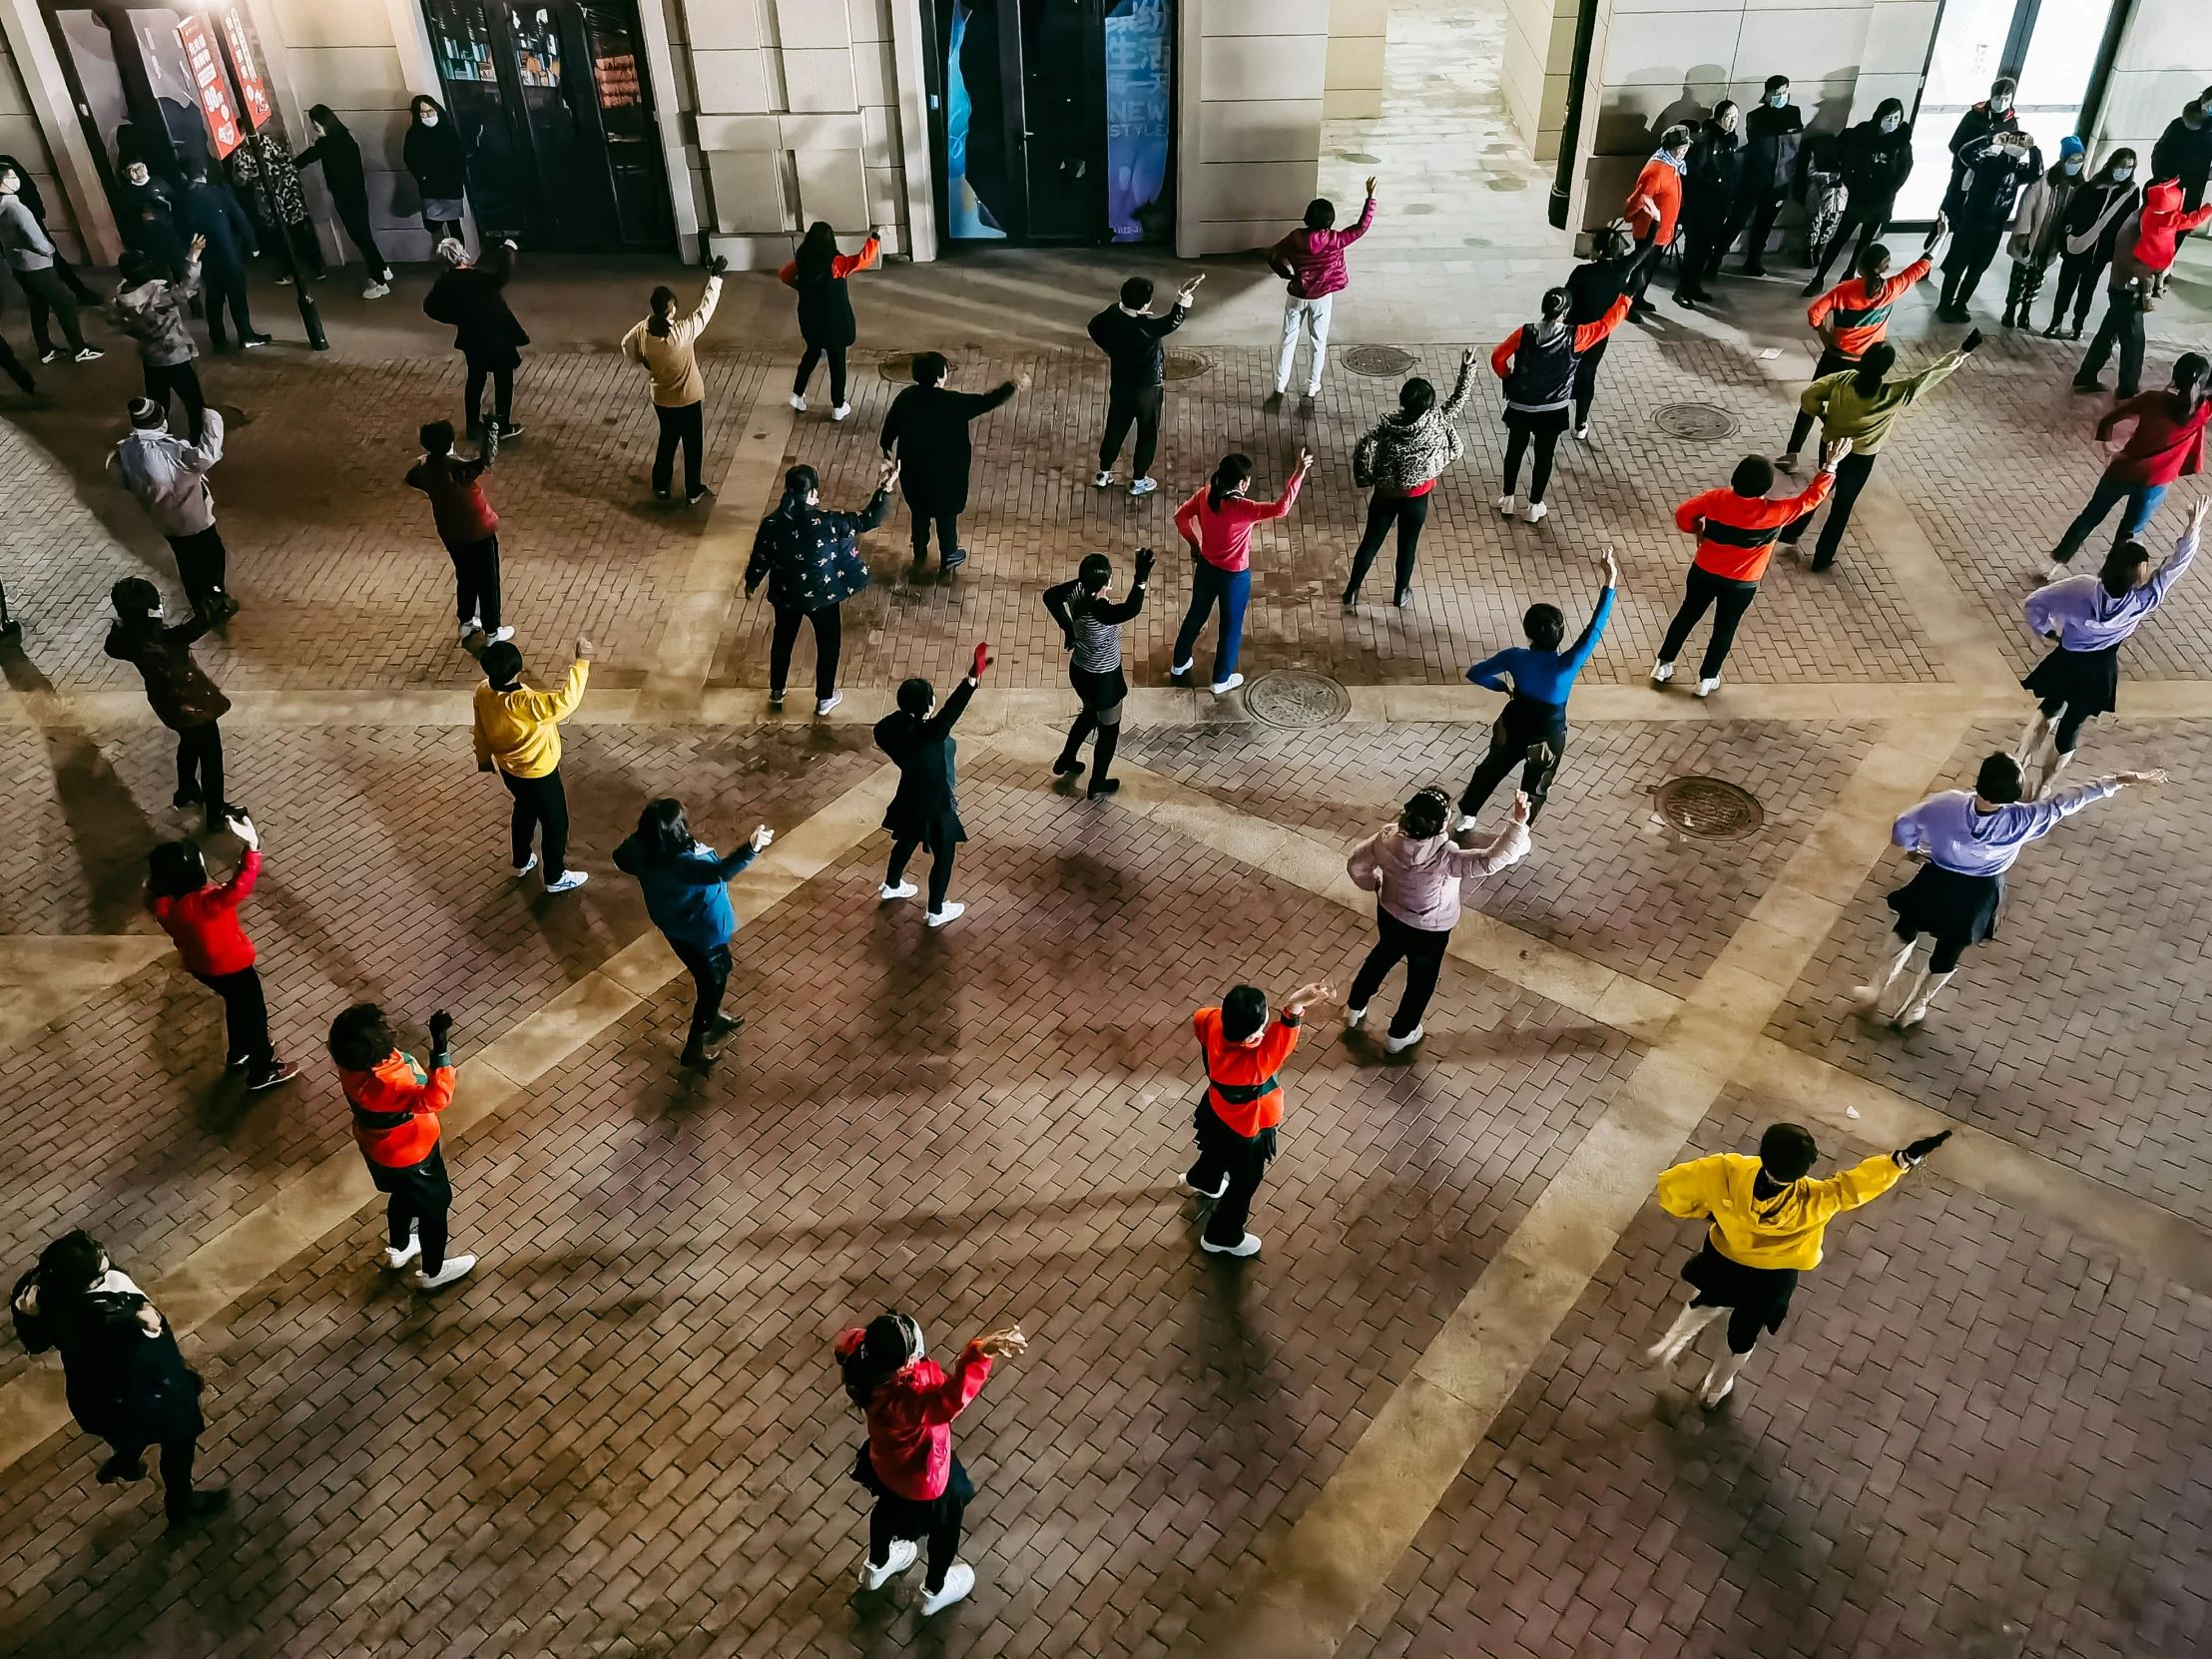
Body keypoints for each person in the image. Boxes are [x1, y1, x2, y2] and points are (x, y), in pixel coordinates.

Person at [1644, 1125, 1951, 1407]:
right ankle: (1714, 1389)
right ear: (1804, 1169)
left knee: (1708, 1299)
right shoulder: (1816, 1199)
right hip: (1773, 1278)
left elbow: (1671, 1186)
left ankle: (1669, 1345)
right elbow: (1855, 1187)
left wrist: (1707, 1213)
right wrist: (1901, 1160)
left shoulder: (1727, 1170)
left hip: (1725, 1258)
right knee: (1742, 1335)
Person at [1858, 756, 2163, 1026]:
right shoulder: (2024, 819)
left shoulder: (1946, 804)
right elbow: (2070, 800)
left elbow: (1903, 825)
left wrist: (1912, 849)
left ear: (1979, 782)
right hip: (1980, 890)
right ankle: (1914, 1009)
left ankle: (1875, 991)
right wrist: (2118, 780)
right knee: (1949, 951)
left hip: (1938, 878)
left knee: (1905, 929)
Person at [10, 1230, 230, 1526]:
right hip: (138, 1393)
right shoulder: (108, 1321)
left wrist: (29, 1316)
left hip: (98, 1396)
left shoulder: (37, 1292)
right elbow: (149, 1354)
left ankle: (125, 1459)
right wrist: (151, 1325)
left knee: (128, 1428)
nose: (105, 1259)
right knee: (179, 1440)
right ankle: (181, 1504)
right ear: (84, 1280)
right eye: (99, 1263)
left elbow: (36, 1342)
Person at [833, 1314, 1028, 1615]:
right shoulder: (911, 1396)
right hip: (925, 1474)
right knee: (947, 1525)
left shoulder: (862, 1362)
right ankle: (935, 1589)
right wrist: (980, 1353)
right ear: (904, 1364)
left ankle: (878, 1565)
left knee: (886, 1509)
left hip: (887, 1461)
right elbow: (952, 1399)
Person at [2016, 502, 2203, 797]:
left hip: (2068, 657)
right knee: (2072, 726)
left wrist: (2047, 630)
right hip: (2099, 669)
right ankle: (2043, 787)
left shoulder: (2080, 587)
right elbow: (2174, 567)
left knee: (2049, 707)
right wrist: (2192, 529)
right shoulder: (2143, 600)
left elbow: (2034, 603)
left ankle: (2018, 765)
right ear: (2138, 576)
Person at [1345, 787, 1530, 1053]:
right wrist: (1518, 824)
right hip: (1430, 930)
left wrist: (1373, 883)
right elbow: (1490, 861)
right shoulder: (1446, 856)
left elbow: (1355, 864)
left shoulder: (1385, 839)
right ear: (1441, 823)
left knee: (1382, 955)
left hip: (1390, 914)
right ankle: (1400, 1034)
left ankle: (1354, 1006)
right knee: (1421, 981)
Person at [1652, 446, 1849, 697]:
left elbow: (1683, 514)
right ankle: (1707, 679)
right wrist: (1829, 468)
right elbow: (1809, 500)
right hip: (1741, 583)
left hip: (1704, 570)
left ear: (1735, 479)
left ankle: (1663, 665)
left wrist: (1697, 531)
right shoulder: (1775, 513)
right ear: (1765, 488)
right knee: (1724, 629)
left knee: (1687, 615)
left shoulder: (1714, 499)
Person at [1780, 334, 1977, 572]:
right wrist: (1961, 352)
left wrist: (1823, 416)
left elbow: (1808, 395)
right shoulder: (1893, 395)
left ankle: (1791, 532)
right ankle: (1822, 559)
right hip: (1861, 458)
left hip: (1831, 447)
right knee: (1842, 507)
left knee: (1820, 488)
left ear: (1862, 361)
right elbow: (1929, 377)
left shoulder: (1841, 380)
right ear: (1885, 370)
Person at [613, 801, 773, 1069]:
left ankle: (714, 1015)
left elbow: (619, 859)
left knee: (714, 971)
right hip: (701, 929)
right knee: (712, 983)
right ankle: (695, 1046)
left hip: (675, 925)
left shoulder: (640, 847)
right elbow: (720, 872)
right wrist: (751, 847)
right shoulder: (682, 862)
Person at [1460, 551, 1616, 822]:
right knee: (1536, 787)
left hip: (1512, 726)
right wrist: (1610, 578)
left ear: (1528, 633)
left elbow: (1475, 673)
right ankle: (1520, 830)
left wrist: (1501, 687)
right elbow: (1595, 629)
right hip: (1548, 736)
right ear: (1560, 635)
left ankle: (1467, 816)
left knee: (1490, 770)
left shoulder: (1514, 657)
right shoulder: (1567, 665)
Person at [146, 816, 297, 1091]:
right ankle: (262, 1069)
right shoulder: (205, 903)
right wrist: (252, 848)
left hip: (203, 967)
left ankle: (239, 1052)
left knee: (236, 1003)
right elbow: (239, 886)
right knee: (253, 1013)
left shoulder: (161, 904)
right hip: (233, 965)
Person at [328, 1003, 474, 1290]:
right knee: (434, 1209)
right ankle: (433, 1272)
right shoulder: (389, 1082)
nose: (389, 1029)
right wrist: (440, 1046)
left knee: (403, 1195)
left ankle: (400, 1247)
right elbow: (437, 1098)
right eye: (381, 1029)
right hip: (413, 1152)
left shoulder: (352, 1065)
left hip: (379, 1148)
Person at [1777, 224, 1944, 469]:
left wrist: (1823, 333)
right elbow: (1925, 262)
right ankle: (1836, 461)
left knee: (1811, 401)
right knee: (1849, 409)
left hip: (1835, 357)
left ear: (1859, 266)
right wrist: (1941, 235)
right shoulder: (1893, 289)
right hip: (1865, 364)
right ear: (1886, 267)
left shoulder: (1844, 290)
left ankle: (1792, 456)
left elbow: (1815, 313)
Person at [1186, 979, 1334, 1256]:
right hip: (1246, 1129)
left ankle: (1205, 1180)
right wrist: (1295, 1005)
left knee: (1214, 1148)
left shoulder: (1211, 1021)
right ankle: (1222, 1236)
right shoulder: (1259, 1062)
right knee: (1246, 1181)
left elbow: (1201, 1020)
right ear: (1253, 1033)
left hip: (1216, 1108)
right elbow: (1285, 1037)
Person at [2042, 354, 2209, 579]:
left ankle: (2056, 561)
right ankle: (2107, 578)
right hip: (2157, 482)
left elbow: (2111, 419)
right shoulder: (2203, 412)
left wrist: (2109, 447)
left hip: (2125, 469)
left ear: (2175, 375)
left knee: (2090, 516)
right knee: (2129, 534)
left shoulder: (2151, 400)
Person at [745, 459, 889, 714]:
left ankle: (777, 691)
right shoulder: (828, 522)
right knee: (828, 643)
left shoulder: (773, 523)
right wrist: (884, 490)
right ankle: (824, 698)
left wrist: (751, 582)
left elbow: (761, 556)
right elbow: (868, 520)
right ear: (812, 493)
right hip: (823, 596)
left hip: (786, 595)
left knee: (782, 640)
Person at [1170, 449, 1314, 694]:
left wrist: (1195, 544)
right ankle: (1221, 678)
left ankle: (1179, 662)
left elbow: (1180, 517)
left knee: (1196, 614)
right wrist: (1298, 473)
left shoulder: (1206, 495)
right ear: (1241, 483)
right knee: (1230, 627)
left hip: (1206, 567)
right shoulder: (1244, 508)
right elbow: (1281, 508)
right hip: (1234, 577)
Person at [1345, 348, 1476, 607]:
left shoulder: (1386, 426)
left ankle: (1352, 590)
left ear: (1402, 401)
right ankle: (1400, 594)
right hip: (1416, 498)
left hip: (1384, 495)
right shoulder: (1437, 421)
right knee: (1407, 546)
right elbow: (1459, 399)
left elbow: (1365, 449)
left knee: (1370, 541)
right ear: (1429, 404)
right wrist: (1467, 368)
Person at [1491, 286, 1633, 523]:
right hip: (1552, 409)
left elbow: (1498, 356)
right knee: (1544, 456)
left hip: (1520, 406)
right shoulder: (1576, 336)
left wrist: (1507, 376)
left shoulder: (1524, 333)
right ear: (1565, 312)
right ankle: (1534, 506)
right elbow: (1607, 324)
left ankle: (1508, 499)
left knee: (1514, 450)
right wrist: (1625, 300)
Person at [874, 645, 991, 928]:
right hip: (936, 803)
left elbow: (931, 719)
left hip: (910, 797)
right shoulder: (931, 734)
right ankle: (936, 911)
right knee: (944, 855)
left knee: (907, 839)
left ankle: (892, 884)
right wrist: (971, 681)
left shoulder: (890, 728)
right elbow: (951, 711)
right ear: (926, 707)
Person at [877, 352, 1021, 577]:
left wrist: (887, 456)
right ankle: (949, 555)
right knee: (946, 517)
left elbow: (888, 433)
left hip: (914, 474)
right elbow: (986, 401)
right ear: (939, 376)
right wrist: (1011, 386)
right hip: (947, 476)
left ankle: (920, 550)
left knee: (920, 511)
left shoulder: (906, 398)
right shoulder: (954, 402)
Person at [104, 577, 230, 827]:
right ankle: (216, 813)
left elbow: (113, 645)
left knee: (189, 741)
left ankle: (187, 790)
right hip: (193, 705)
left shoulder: (129, 639)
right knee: (211, 757)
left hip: (169, 704)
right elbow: (194, 629)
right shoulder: (161, 639)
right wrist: (211, 606)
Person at [472, 636, 592, 892]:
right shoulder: (528, 703)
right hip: (539, 772)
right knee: (555, 823)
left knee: (524, 809)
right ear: (518, 670)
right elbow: (566, 701)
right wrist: (582, 663)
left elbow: (479, 729)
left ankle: (521, 860)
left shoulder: (483, 691)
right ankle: (555, 877)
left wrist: (483, 758)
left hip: (509, 769)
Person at [2075, 182, 2212, 399]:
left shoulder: (2141, 218)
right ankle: (2128, 390)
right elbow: (2132, 262)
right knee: (2134, 343)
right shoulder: (2139, 226)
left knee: (2108, 334)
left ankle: (2086, 375)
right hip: (2128, 290)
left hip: (2123, 287)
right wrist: (2152, 277)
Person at [108, 397, 234, 622]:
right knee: (213, 554)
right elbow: (207, 455)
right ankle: (215, 598)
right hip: (193, 518)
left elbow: (117, 476)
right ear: (159, 422)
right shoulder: (173, 450)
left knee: (186, 561)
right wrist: (211, 418)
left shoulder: (126, 451)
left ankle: (198, 604)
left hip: (163, 520)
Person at [1042, 548, 1152, 797]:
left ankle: (1066, 760)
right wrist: (1141, 579)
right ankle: (1097, 783)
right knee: (1109, 730)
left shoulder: (1077, 590)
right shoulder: (1100, 610)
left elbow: (1049, 596)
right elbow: (1131, 609)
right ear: (1106, 582)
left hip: (1080, 671)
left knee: (1090, 713)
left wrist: (1068, 628)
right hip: (1104, 679)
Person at [621, 258, 729, 505]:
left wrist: (641, 360)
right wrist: (716, 277)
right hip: (688, 399)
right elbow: (706, 309)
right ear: (671, 309)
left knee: (667, 440)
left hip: (662, 400)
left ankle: (661, 485)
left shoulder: (643, 330)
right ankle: (693, 490)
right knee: (693, 446)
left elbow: (625, 344)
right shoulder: (682, 333)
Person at [1266, 176, 1377, 414]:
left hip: (1298, 294)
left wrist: (1285, 274)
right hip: (1322, 298)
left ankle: (1279, 389)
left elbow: (1272, 254)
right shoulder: (1335, 240)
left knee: (1288, 340)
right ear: (1330, 220)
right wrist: (1370, 199)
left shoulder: (1295, 238)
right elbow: (1361, 228)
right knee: (1318, 344)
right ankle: (1311, 392)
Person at [1088, 273, 1200, 496]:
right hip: (1147, 389)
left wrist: (1109, 348)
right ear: (1146, 303)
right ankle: (1138, 480)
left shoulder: (1111, 313)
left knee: (1115, 427)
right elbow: (1173, 321)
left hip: (1121, 384)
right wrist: (1183, 296)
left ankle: (1103, 472)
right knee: (1147, 432)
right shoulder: (1145, 327)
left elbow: (1093, 327)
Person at [405, 419, 507, 645]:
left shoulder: (426, 469)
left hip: (451, 533)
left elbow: (411, 478)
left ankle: (467, 622)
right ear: (451, 440)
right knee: (488, 582)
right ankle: (492, 633)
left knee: (466, 575)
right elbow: (486, 461)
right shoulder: (458, 469)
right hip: (478, 532)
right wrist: (491, 433)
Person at [1802, 100, 1915, 294]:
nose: (1892, 122)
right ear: (1879, 116)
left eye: (1896, 118)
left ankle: (1849, 275)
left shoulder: (1901, 141)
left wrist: (1889, 190)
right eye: (1888, 118)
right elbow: (1847, 158)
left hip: (1881, 200)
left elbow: (1904, 171)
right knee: (1839, 239)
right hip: (1859, 196)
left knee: (1864, 242)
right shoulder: (1863, 133)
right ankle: (1819, 278)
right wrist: (1854, 181)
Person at [425, 238, 528, 440]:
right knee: (503, 380)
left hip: (471, 338)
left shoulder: (445, 283)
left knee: (475, 380)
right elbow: (502, 275)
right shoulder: (480, 278)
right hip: (498, 336)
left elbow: (430, 307)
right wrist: (507, 250)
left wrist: (456, 318)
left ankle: (473, 426)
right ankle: (503, 425)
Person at [1936, 127, 2040, 320]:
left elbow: (2037, 173)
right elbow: (1964, 153)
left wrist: (2034, 149)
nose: (2017, 147)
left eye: (2021, 144)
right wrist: (1989, 139)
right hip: (1971, 222)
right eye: (2014, 142)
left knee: (1977, 269)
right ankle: (1944, 304)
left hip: (1993, 228)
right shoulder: (1986, 162)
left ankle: (1961, 303)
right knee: (1957, 266)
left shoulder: (2019, 171)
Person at [110, 239, 208, 442]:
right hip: (174, 356)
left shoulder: (122, 295)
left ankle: (160, 439)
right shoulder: (157, 295)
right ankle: (197, 438)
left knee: (159, 403)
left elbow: (114, 320)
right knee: (193, 401)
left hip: (150, 357)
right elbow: (186, 289)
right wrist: (194, 255)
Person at [781, 221, 880, 420]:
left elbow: (785, 275)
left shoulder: (802, 258)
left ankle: (797, 395)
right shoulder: (836, 262)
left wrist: (802, 287)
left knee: (811, 353)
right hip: (834, 321)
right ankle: (838, 406)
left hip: (810, 319)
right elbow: (862, 260)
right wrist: (874, 240)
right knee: (837, 362)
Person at [0, 161, 98, 362]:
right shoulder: (16, 207)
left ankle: (45, 350)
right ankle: (80, 349)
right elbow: (36, 239)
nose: (16, 179)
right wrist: (50, 251)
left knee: (38, 305)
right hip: (37, 266)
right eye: (11, 176)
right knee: (66, 301)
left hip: (18, 265)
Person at [293, 105, 393, 296]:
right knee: (364, 236)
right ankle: (383, 268)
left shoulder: (330, 144)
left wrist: (289, 166)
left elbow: (308, 157)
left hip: (347, 199)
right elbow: (310, 156)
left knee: (361, 238)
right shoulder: (343, 139)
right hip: (356, 196)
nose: (316, 129)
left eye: (316, 124)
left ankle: (379, 281)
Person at [2045, 150, 2140, 341]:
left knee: (2087, 290)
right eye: (2121, 166)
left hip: (2100, 252)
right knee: (2065, 286)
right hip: (2076, 247)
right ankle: (2056, 322)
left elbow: (2129, 223)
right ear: (2112, 164)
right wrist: (2067, 237)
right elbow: (2071, 214)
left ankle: (2077, 326)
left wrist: (2117, 251)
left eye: (2129, 167)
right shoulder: (2091, 187)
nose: (2124, 171)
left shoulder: (2130, 192)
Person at [179, 168, 267, 351]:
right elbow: (238, 217)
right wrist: (253, 243)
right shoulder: (218, 193)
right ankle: (246, 335)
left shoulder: (182, 199)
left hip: (204, 256)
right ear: (204, 172)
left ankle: (218, 340)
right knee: (237, 296)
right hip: (227, 252)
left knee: (213, 297)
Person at [2003, 138, 2084, 329]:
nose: (2075, 165)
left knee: (2036, 280)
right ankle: (2010, 311)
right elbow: (2027, 207)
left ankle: (2025, 312)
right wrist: (2022, 234)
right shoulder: (2044, 181)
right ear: (2063, 159)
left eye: (2079, 160)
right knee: (2019, 279)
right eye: (2072, 159)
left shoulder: (2079, 185)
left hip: (2051, 242)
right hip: (2031, 239)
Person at [1565, 226, 1638, 438]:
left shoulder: (1582, 273)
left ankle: (1554, 412)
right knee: (1588, 374)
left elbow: (1566, 298)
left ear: (1596, 249)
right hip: (1598, 334)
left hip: (1574, 331)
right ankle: (1580, 424)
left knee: (1565, 372)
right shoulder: (1621, 270)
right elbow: (1644, 251)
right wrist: (1655, 221)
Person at [0, 153, 98, 304]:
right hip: (7, 228)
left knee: (51, 258)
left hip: (27, 220)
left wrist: (36, 215)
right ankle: (44, 298)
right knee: (22, 264)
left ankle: (77, 291)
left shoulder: (5, 162)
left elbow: (28, 188)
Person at [1730, 77, 1804, 275]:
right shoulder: (1756, 116)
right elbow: (1759, 142)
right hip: (1754, 179)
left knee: (1764, 223)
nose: (1781, 96)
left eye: (1784, 92)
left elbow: (1794, 142)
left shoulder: (1794, 112)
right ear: (1768, 93)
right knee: (1737, 219)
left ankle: (1753, 260)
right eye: (1777, 92)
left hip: (1779, 180)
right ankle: (1715, 258)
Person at [1674, 103, 1743, 306]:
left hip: (1719, 201)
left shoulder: (1731, 139)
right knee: (1695, 246)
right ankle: (1682, 289)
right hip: (1700, 202)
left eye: (1736, 117)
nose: (1733, 121)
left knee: (1706, 247)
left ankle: (1693, 284)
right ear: (1718, 117)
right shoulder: (1704, 140)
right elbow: (1694, 173)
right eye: (1729, 116)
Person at [1622, 126, 1689, 316]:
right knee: (1641, 270)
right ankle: (1628, 304)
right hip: (1650, 231)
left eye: (1685, 147)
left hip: (1662, 230)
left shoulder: (1672, 165)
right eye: (1679, 147)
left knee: (1648, 269)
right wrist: (1631, 216)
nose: (1683, 151)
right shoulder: (1657, 170)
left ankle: (1638, 298)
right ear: (1669, 147)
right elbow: (1640, 199)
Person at [1945, 78, 2020, 208]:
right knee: (1952, 206)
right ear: (1991, 97)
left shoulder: (2011, 122)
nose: (2002, 103)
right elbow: (1954, 144)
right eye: (1998, 98)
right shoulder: (1974, 116)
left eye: (2006, 99)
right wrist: (1976, 153)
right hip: (1963, 169)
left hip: (1989, 177)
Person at [403, 95, 468, 245]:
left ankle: (459, 262)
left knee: (454, 225)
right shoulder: (414, 134)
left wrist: (457, 178)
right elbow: (410, 158)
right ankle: (448, 256)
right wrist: (422, 177)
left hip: (451, 186)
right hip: (430, 187)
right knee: (432, 224)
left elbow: (459, 157)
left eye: (430, 111)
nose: (427, 115)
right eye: (423, 112)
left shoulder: (448, 130)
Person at [118, 159, 189, 282]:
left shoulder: (158, 181)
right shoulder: (128, 194)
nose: (138, 172)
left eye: (139, 167)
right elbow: (129, 222)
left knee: (182, 274)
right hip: (151, 243)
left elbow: (174, 201)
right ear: (126, 174)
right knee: (160, 280)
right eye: (133, 170)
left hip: (172, 236)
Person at [2150, 86, 2212, 214]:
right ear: (2202, 104)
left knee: (2186, 221)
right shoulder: (2179, 126)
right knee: (2161, 224)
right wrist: (2164, 178)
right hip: (2170, 184)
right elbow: (2159, 153)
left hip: (2195, 186)